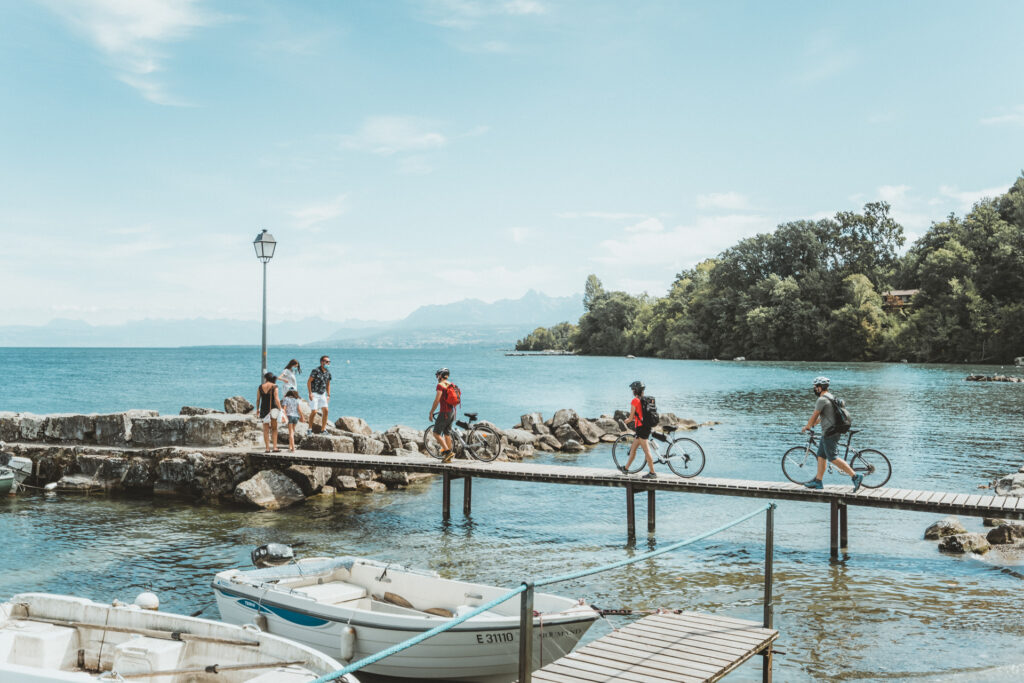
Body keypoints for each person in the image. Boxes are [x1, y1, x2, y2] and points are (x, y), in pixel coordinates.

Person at [802, 376, 864, 492]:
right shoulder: (831, 397)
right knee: (821, 455)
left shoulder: (821, 400)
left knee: (833, 458)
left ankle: (855, 476)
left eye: (815, 387)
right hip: (831, 431)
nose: (814, 389)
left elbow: (815, 415)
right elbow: (823, 416)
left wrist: (808, 426)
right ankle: (818, 481)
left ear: (820, 388)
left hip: (830, 432)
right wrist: (815, 424)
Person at [621, 380, 657, 478]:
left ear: (635, 391)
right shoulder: (645, 400)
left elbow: (631, 417)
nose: (632, 391)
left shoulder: (635, 401)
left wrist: (626, 421)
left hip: (641, 428)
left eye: (633, 389)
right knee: (633, 449)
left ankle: (652, 473)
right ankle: (626, 469)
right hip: (645, 426)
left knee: (646, 451)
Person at [428, 368, 456, 463]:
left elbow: (437, 400)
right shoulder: (450, 384)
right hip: (452, 412)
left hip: (444, 412)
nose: (437, 377)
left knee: (436, 433)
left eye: (438, 375)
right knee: (447, 434)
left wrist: (431, 412)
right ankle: (449, 458)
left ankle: (447, 452)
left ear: (441, 375)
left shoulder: (440, 386)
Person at [256, 372, 283, 453]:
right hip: (273, 409)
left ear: (266, 378)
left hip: (264, 409)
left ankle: (267, 448)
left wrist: (257, 409)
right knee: (274, 429)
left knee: (265, 430)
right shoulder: (274, 386)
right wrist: (281, 409)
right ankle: (275, 447)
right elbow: (277, 398)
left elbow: (258, 399)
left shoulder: (260, 387)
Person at [307, 355, 331, 432]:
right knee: (314, 411)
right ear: (322, 362)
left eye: (329, 362)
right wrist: (310, 393)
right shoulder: (315, 370)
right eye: (326, 361)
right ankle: (309, 429)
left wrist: (328, 395)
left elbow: (328, 384)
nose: (328, 363)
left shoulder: (328, 372)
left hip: (323, 394)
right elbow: (309, 382)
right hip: (314, 393)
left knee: (326, 410)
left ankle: (323, 429)